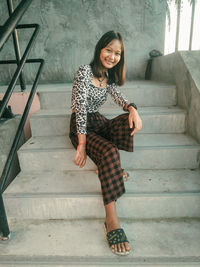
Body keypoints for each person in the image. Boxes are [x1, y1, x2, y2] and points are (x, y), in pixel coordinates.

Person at [69, 31, 142, 256]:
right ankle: (111, 220)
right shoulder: (84, 71)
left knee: (125, 122)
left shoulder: (107, 77)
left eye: (117, 53)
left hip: (98, 121)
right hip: (80, 126)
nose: (112, 56)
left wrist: (133, 109)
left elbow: (119, 97)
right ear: (100, 49)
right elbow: (80, 109)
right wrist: (81, 144)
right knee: (109, 151)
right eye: (108, 50)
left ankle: (111, 167)